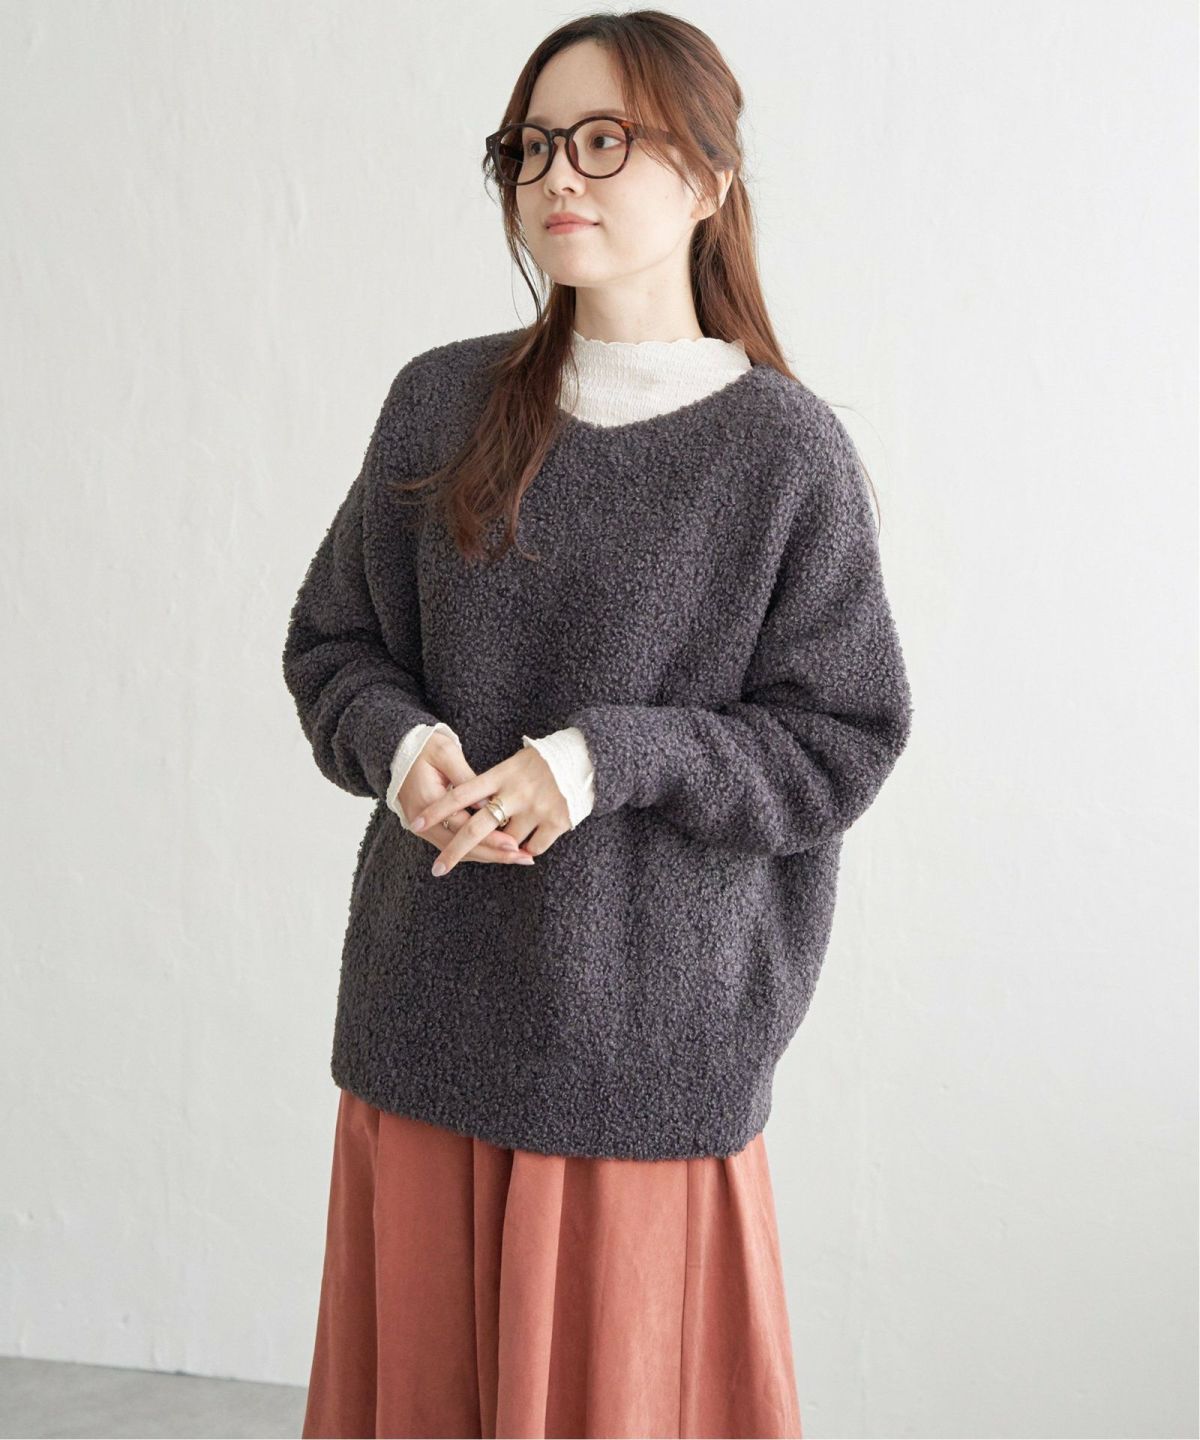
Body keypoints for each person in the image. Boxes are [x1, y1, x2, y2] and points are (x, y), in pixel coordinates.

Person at [285, 12, 913, 1439]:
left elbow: (840, 739)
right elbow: (334, 646)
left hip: (645, 1045)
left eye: (605, 140)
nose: (556, 173)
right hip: (428, 1013)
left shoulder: (783, 453)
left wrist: (594, 763)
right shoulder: (440, 402)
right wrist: (404, 751)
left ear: (709, 179)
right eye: (530, 146)